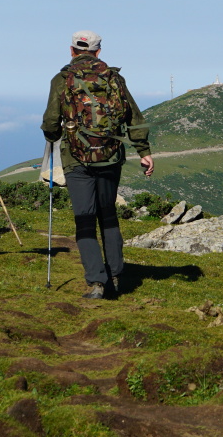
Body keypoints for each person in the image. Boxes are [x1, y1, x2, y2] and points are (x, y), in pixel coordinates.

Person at [41, 30, 153, 299]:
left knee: (85, 219)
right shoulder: (114, 78)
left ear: (72, 50)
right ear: (98, 51)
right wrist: (144, 151)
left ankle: (96, 282)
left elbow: (51, 121)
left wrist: (52, 135)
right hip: (110, 156)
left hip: (76, 158)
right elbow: (133, 116)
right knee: (108, 215)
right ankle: (115, 275)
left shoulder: (62, 79)